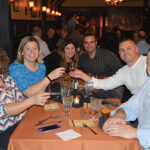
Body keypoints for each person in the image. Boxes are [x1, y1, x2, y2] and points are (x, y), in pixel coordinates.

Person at [0, 48, 50, 150]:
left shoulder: (7, 79)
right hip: (4, 134)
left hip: (20, 125)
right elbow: (4, 110)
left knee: (49, 132)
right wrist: (32, 100)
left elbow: (21, 103)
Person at [102, 49, 150, 150]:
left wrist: (135, 133)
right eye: (149, 61)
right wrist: (119, 115)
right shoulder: (148, 84)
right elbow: (134, 104)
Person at [69, 39, 148, 96]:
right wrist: (82, 75)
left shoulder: (146, 62)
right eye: (122, 50)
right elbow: (105, 84)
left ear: (136, 49)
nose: (125, 52)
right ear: (119, 53)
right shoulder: (124, 71)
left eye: (129, 48)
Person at [76, 33, 124, 99]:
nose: (89, 45)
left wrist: (108, 80)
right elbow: (80, 70)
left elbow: (122, 73)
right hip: (93, 88)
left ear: (96, 43)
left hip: (111, 88)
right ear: (83, 44)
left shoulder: (108, 55)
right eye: (86, 42)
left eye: (91, 42)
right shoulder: (82, 57)